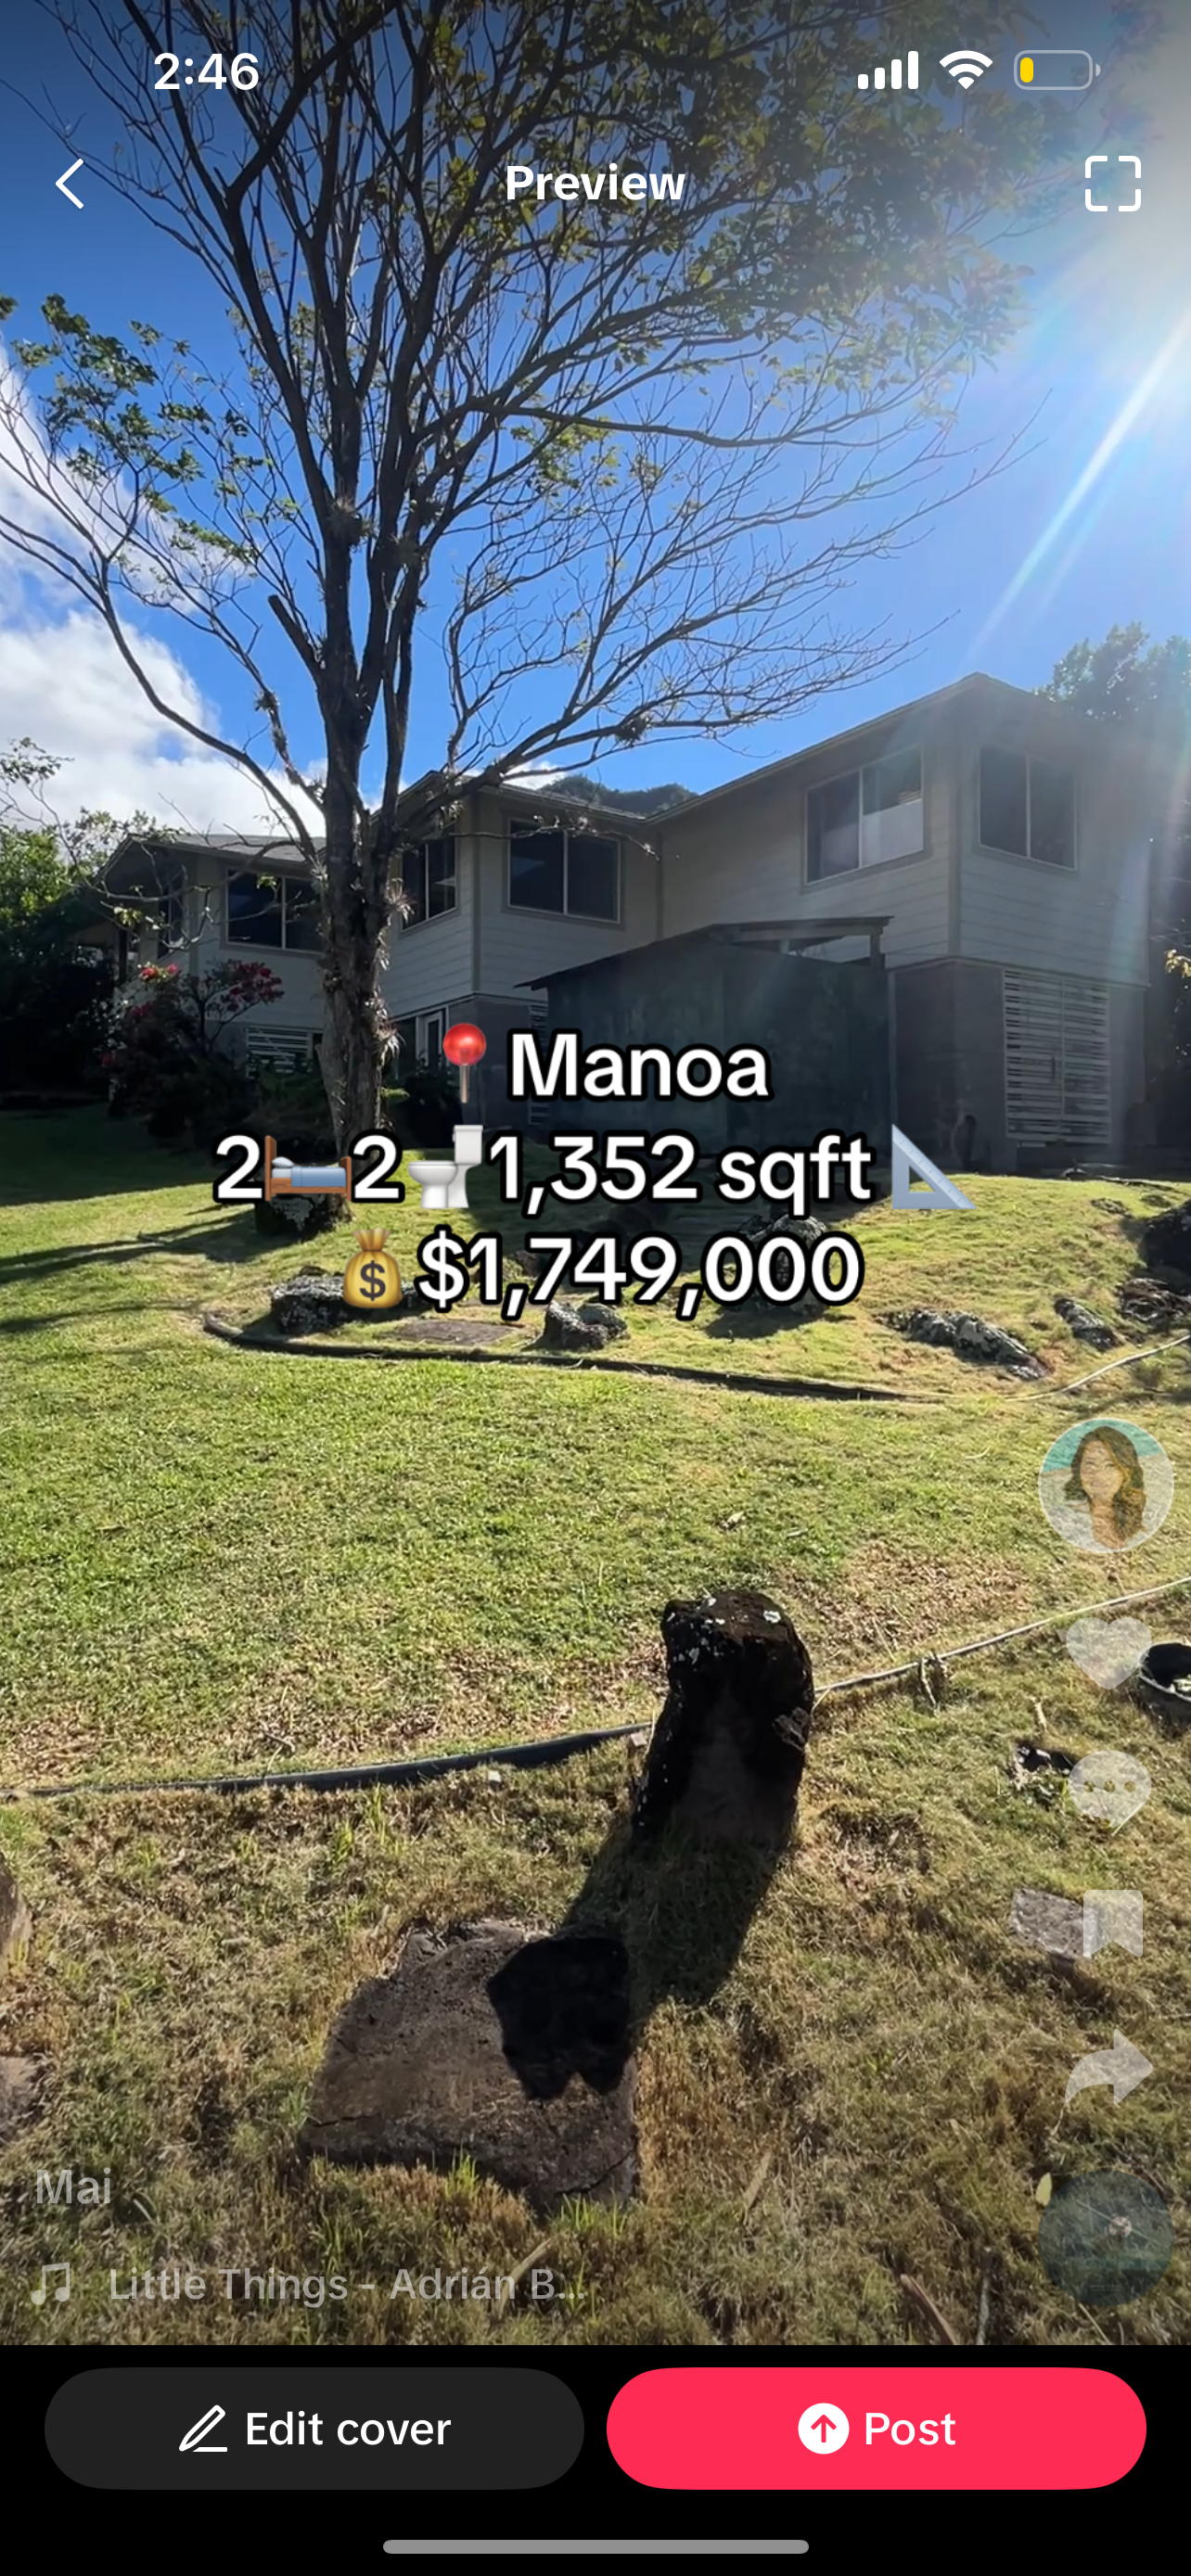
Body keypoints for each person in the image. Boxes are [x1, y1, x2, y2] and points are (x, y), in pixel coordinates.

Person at [1064, 1424, 1147, 1549]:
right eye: (1090, 1464)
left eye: (1111, 1465)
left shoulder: (1145, 1518)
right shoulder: (1064, 1519)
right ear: (1079, 1470)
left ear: (1127, 1472)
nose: (1099, 1475)